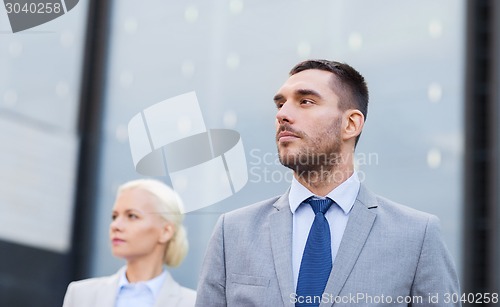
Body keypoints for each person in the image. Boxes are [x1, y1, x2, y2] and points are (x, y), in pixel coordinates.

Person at [195, 59, 460, 306]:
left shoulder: (417, 236)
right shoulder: (233, 232)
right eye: (280, 104)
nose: (282, 114)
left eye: (305, 101)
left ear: (351, 124)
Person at [63, 179, 196, 307]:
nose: (115, 225)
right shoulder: (81, 295)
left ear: (166, 231)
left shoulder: (194, 303)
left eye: (132, 216)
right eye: (114, 216)